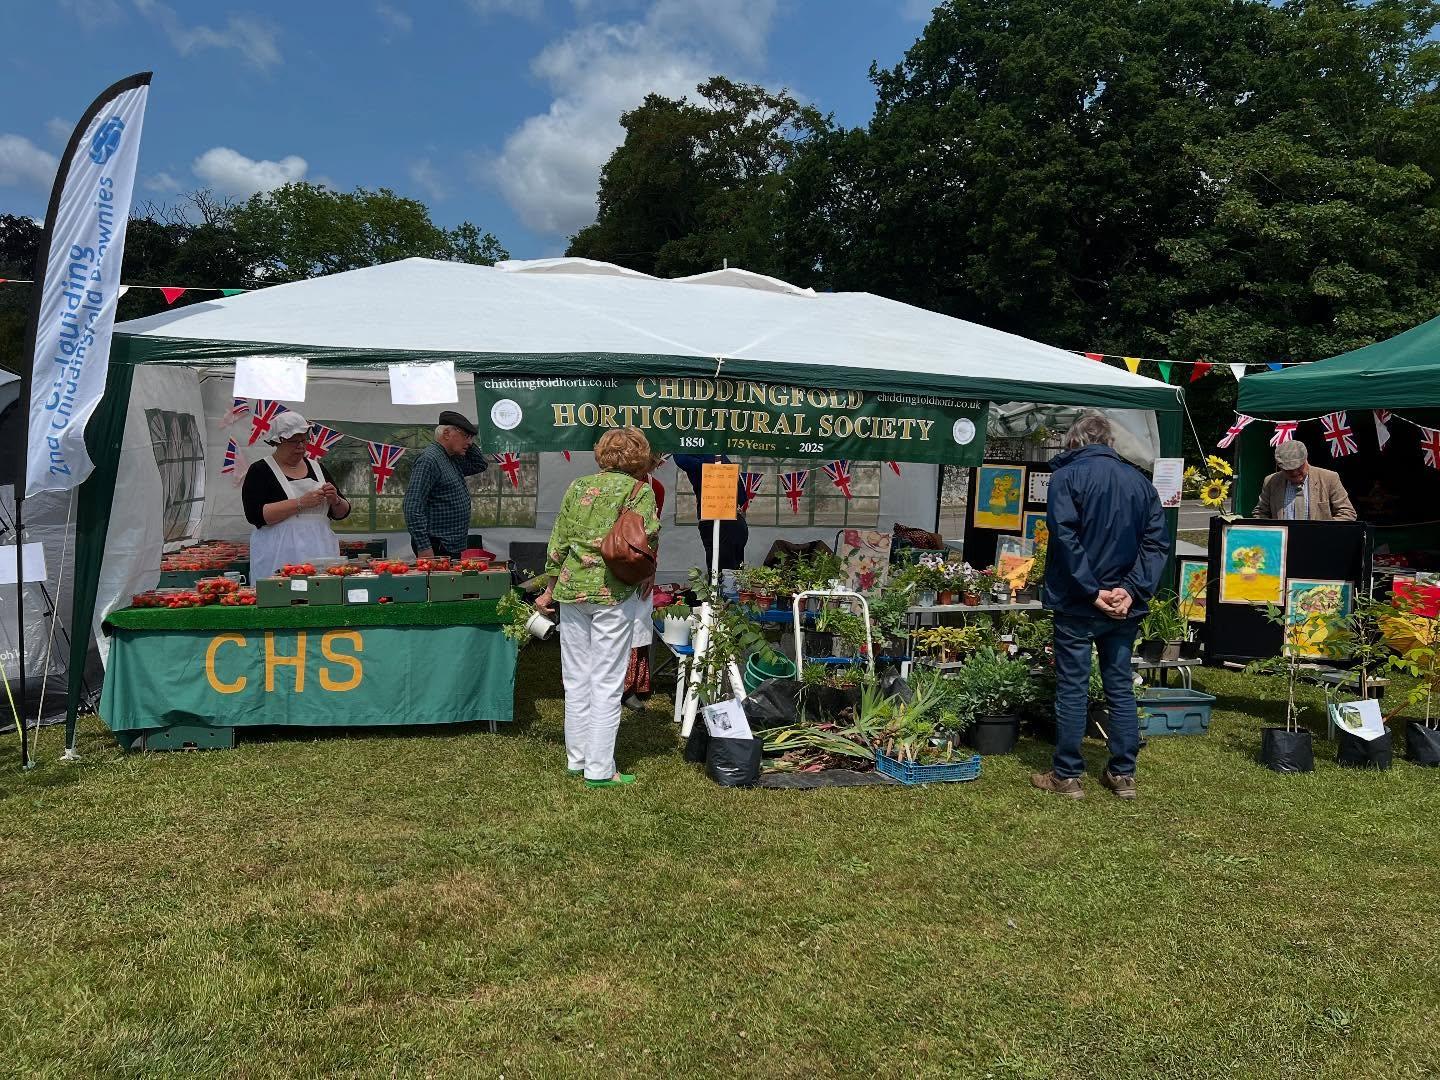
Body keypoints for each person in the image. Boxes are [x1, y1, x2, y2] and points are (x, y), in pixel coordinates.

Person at [1033, 412, 1168, 801]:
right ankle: (1123, 774)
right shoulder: (1140, 482)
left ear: (1074, 441)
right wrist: (1130, 591)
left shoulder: (1067, 477)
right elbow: (1156, 543)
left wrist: (1093, 591)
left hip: (1079, 603)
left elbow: (1065, 538)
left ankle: (1067, 775)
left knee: (1073, 687)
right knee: (1120, 685)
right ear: (1110, 443)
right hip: (1121, 605)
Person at [536, 428, 661, 787]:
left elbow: (558, 542)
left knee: (575, 678)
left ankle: (577, 758)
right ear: (640, 456)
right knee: (606, 681)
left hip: (572, 589)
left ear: (602, 453)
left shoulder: (578, 486)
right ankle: (600, 769)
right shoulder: (640, 491)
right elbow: (648, 539)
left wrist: (550, 589)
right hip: (613, 592)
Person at [241, 411, 351, 580]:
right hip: (278, 555)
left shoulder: (317, 468)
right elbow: (255, 515)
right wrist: (300, 503)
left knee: (322, 590)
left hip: (321, 551)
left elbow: (342, 513)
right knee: (282, 592)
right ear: (278, 441)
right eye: (294, 441)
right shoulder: (260, 470)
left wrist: (335, 500)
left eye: (304, 440)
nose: (301, 446)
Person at [402, 411, 488, 559]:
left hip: (450, 544)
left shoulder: (451, 457)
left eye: (471, 438)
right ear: (447, 434)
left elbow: (480, 464)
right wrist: (424, 547)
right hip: (436, 545)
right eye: (466, 436)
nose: (470, 443)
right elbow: (412, 507)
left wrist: (467, 440)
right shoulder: (429, 460)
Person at [623, 454, 667, 711]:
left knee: (638, 624)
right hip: (608, 562)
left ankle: (631, 687)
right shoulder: (612, 482)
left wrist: (651, 569)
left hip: (640, 563)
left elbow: (653, 532)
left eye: (654, 462)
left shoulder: (656, 488)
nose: (651, 466)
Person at [671, 453, 748, 570]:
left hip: (726, 518)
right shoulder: (712, 455)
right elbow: (681, 459)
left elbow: (681, 459)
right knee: (726, 571)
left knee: (727, 572)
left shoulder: (715, 455)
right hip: (720, 517)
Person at [1252, 441, 1357, 521]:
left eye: (1298, 467)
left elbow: (1347, 513)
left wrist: (1323, 530)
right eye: (1288, 470)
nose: (1294, 473)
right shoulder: (1271, 481)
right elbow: (1260, 513)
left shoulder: (1329, 478)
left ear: (1306, 459)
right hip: (1283, 541)